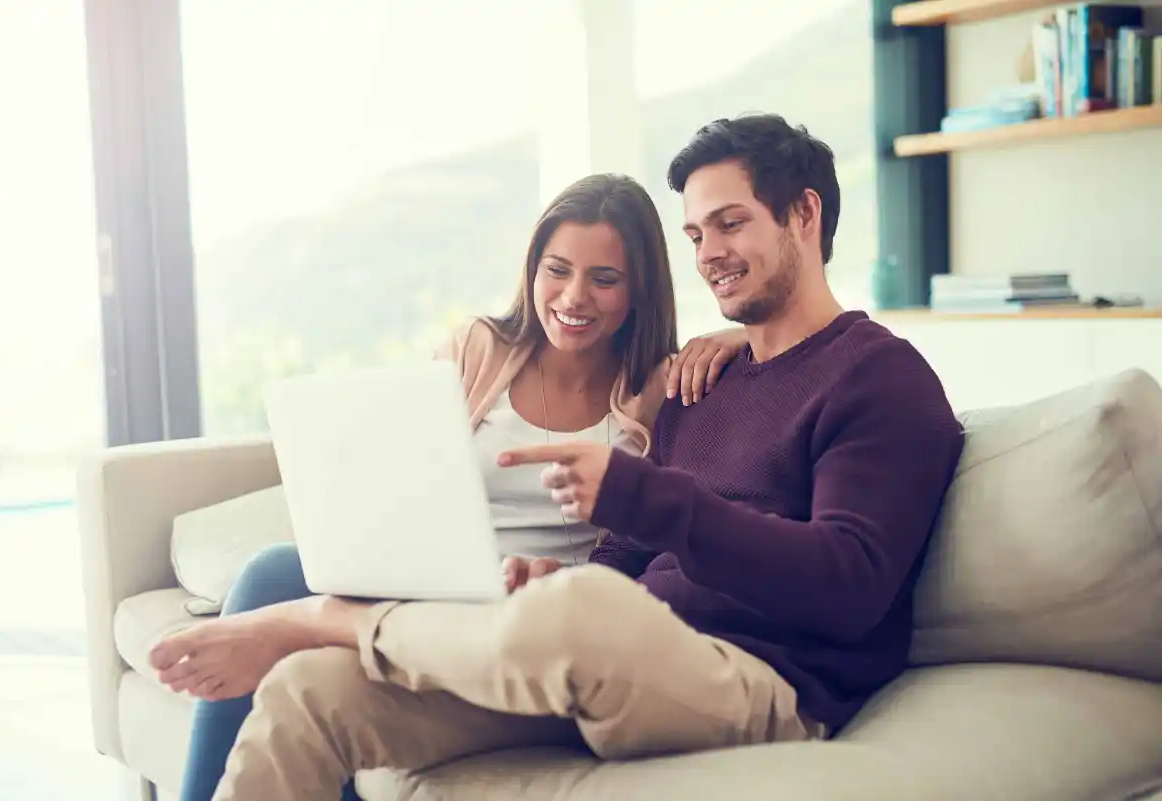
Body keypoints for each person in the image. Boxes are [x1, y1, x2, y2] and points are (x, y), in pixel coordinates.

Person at [151, 114, 965, 801]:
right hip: (616, 664)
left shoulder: (880, 377)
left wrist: (642, 504)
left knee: (579, 611)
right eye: (694, 232)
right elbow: (626, 565)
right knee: (307, 690)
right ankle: (331, 636)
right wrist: (562, 577)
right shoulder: (703, 383)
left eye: (731, 221)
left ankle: (318, 617)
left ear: (805, 214)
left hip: (758, 684)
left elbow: (851, 584)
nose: (709, 249)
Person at [170, 172, 747, 801]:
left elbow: (779, 348)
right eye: (557, 269)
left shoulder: (662, 386)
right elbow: (414, 473)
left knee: (303, 653)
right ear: (533, 270)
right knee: (270, 574)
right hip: (443, 583)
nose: (574, 296)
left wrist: (734, 334)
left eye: (604, 279)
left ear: (639, 290)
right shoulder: (481, 348)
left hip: (545, 609)